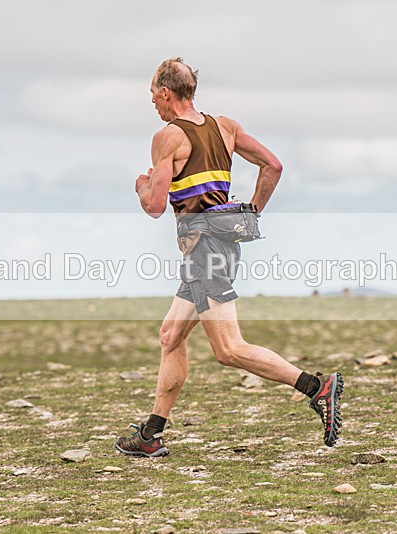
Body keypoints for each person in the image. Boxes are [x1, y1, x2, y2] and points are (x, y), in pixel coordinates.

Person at [116, 58, 344, 457]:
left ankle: (317, 387)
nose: (151, 99)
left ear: (166, 93)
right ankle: (151, 436)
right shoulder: (225, 127)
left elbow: (154, 206)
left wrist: (142, 185)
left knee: (229, 349)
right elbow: (273, 165)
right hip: (215, 247)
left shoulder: (167, 137)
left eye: (152, 92)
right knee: (171, 336)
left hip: (204, 250)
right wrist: (249, 213)